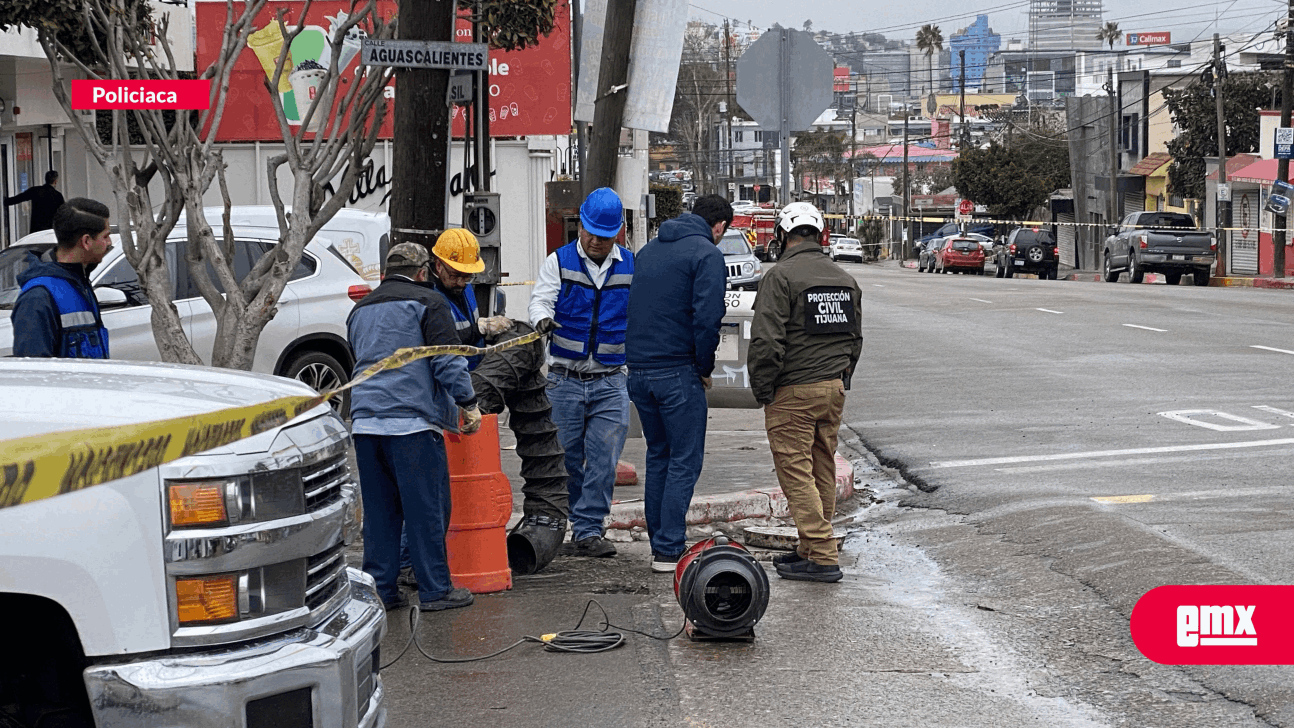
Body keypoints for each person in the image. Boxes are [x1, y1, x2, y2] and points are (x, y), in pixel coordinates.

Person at [347, 242, 482, 612]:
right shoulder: (429, 302)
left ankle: (380, 591)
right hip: (411, 425)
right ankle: (436, 590)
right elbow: (446, 362)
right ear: (424, 272)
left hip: (365, 424)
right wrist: (468, 404)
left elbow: (359, 359)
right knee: (427, 511)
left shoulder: (360, 310)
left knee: (380, 515)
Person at [748, 202, 862, 584]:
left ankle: (823, 554)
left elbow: (766, 340)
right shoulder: (845, 279)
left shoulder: (780, 275)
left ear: (782, 236)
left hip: (794, 390)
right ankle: (809, 549)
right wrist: (842, 377)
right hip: (832, 389)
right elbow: (854, 340)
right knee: (822, 465)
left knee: (795, 471)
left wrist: (764, 389)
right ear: (821, 235)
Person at [625, 194, 731, 572]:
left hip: (638, 371)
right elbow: (708, 318)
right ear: (718, 226)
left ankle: (660, 545)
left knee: (659, 457)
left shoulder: (649, 250)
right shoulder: (706, 254)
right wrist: (704, 366)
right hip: (677, 372)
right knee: (684, 461)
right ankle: (669, 550)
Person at [529, 187, 634, 558]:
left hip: (610, 379)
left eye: (603, 237)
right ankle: (565, 520)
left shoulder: (631, 265)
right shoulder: (558, 262)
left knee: (604, 460)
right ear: (581, 227)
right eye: (589, 233)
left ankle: (589, 530)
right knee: (565, 458)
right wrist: (542, 319)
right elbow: (541, 299)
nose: (594, 241)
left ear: (616, 235)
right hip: (564, 380)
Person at [12, 198, 113, 359]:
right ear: (86, 241)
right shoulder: (38, 297)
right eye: (106, 236)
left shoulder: (79, 282)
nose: (109, 242)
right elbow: (35, 373)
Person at [4, 171, 65, 235]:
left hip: (36, 230)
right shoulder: (58, 196)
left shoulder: (36, 191)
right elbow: (63, 214)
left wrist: (6, 201)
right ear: (55, 181)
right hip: (50, 231)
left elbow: (19, 198)